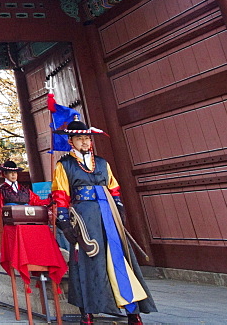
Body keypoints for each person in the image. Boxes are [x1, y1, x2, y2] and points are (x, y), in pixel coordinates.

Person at [52, 121, 156, 325]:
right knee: (87, 261)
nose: (84, 142)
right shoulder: (64, 165)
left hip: (108, 216)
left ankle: (132, 310)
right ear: (71, 141)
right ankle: (87, 312)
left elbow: (114, 189)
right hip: (83, 218)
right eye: (79, 138)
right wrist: (64, 224)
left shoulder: (102, 163)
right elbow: (60, 196)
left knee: (120, 259)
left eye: (87, 138)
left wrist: (119, 210)